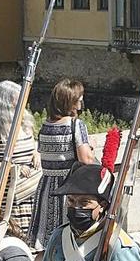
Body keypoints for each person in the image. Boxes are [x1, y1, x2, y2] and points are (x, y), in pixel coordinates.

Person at [29, 77, 95, 249]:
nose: (81, 101)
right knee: (69, 238)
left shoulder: (45, 125)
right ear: (70, 101)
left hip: (46, 187)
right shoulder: (75, 125)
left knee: (45, 241)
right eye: (78, 98)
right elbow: (85, 159)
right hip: (68, 187)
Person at [0, 79, 40, 243]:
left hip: (32, 188)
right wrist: (12, 168)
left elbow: (32, 146)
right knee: (15, 235)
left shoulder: (26, 123)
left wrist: (36, 154)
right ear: (6, 101)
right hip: (10, 193)